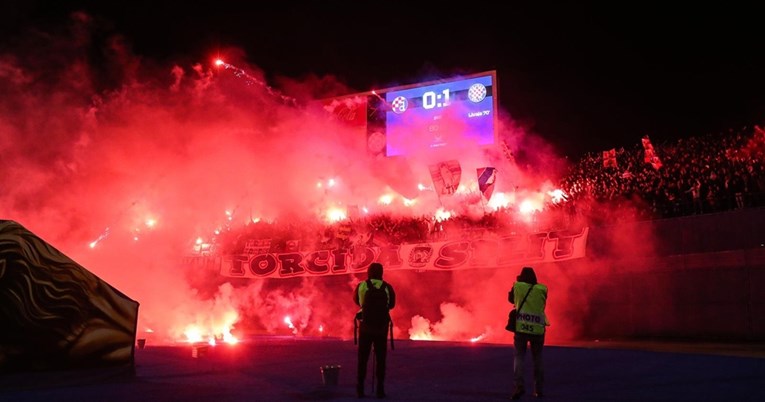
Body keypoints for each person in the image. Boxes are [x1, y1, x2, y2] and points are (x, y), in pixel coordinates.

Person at [354, 262, 396, 398]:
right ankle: (380, 390)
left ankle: (360, 389)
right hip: (381, 328)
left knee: (362, 359)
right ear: (381, 272)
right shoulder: (387, 287)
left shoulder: (362, 285)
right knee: (381, 359)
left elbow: (357, 301)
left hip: (366, 327)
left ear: (369, 272)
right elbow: (392, 305)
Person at [509, 266, 549, 399]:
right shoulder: (542, 288)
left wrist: (518, 281)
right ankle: (539, 390)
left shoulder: (518, 286)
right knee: (538, 359)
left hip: (521, 328)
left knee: (519, 358)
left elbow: (511, 299)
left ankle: (519, 387)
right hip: (538, 329)